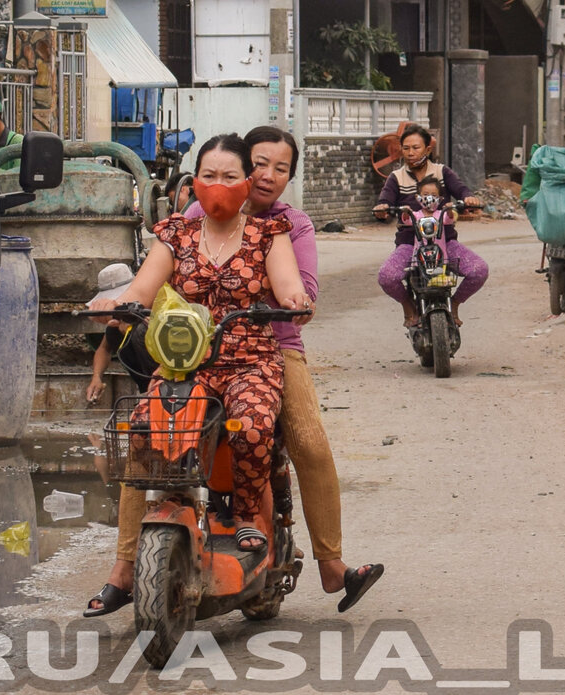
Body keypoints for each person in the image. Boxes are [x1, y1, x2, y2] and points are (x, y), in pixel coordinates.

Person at [84, 126, 383, 618]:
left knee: (286, 432)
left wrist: (294, 301)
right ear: (196, 179)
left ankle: (326, 559)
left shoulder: (283, 229)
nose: (265, 175)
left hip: (265, 348)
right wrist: (114, 304)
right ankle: (123, 566)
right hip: (188, 354)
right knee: (144, 430)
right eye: (211, 174)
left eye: (276, 168)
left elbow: (296, 286)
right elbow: (141, 288)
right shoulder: (182, 227)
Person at [373, 123, 487, 327]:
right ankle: (408, 306)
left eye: (415, 148)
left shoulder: (442, 172)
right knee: (387, 276)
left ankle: (454, 304)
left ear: (428, 149)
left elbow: (462, 190)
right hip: (409, 244)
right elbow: (386, 200)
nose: (410, 153)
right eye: (406, 148)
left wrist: (469, 199)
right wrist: (382, 207)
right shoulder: (396, 177)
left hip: (445, 242)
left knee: (479, 270)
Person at [85, 263, 157, 403]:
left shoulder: (152, 308)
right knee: (115, 334)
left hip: (167, 375)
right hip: (144, 382)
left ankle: (157, 391)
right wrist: (97, 377)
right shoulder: (116, 322)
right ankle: (145, 393)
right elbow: (104, 349)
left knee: (140, 332)